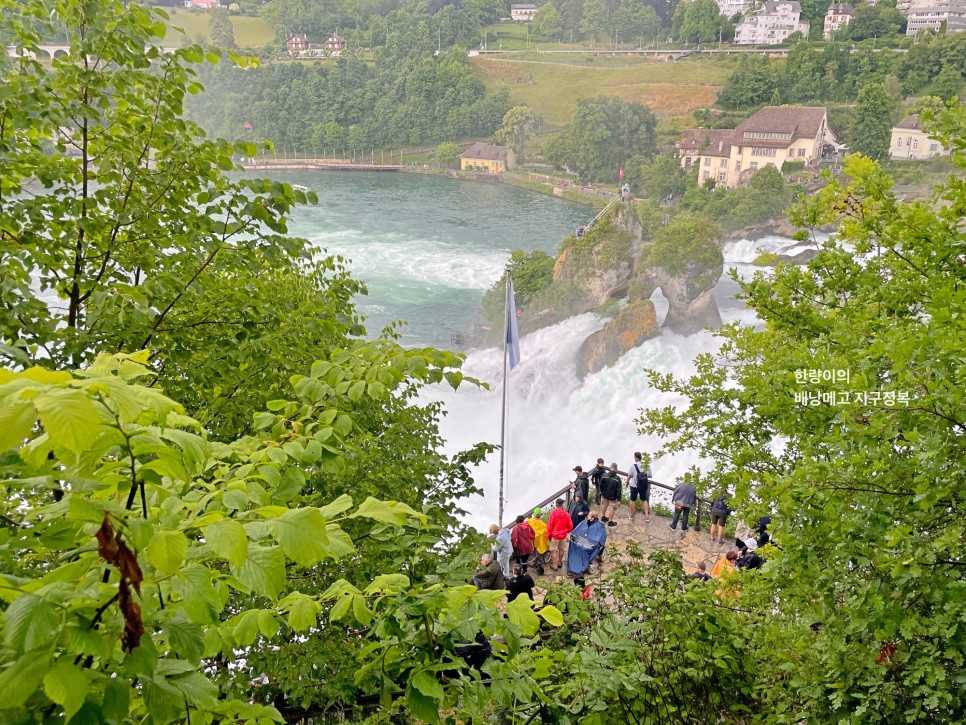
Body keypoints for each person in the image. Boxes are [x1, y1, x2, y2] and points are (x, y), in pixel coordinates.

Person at [546, 498, 573, 571]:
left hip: (555, 536)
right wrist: (568, 531)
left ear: (556, 505)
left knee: (553, 550)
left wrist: (548, 535)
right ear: (562, 505)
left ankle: (554, 565)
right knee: (561, 549)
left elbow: (550, 526)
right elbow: (570, 525)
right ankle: (560, 562)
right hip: (563, 535)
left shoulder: (553, 514)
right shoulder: (566, 514)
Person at [627, 451, 650, 522]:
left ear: (636, 458)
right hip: (643, 485)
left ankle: (631, 515)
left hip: (634, 486)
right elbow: (650, 475)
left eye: (634, 457)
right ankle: (646, 517)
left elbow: (630, 476)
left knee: (632, 500)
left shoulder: (633, 466)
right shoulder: (646, 465)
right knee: (644, 500)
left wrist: (627, 481)